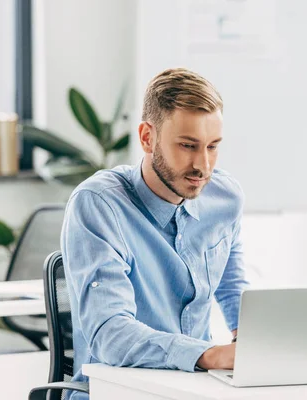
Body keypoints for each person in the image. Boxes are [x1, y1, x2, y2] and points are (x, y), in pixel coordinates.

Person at [61, 68, 248, 399]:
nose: (203, 165)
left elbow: (233, 289)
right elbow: (110, 335)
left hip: (195, 389)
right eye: (188, 146)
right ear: (147, 137)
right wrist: (206, 355)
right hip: (116, 391)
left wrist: (257, 343)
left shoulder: (225, 196)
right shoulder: (99, 204)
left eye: (213, 146)